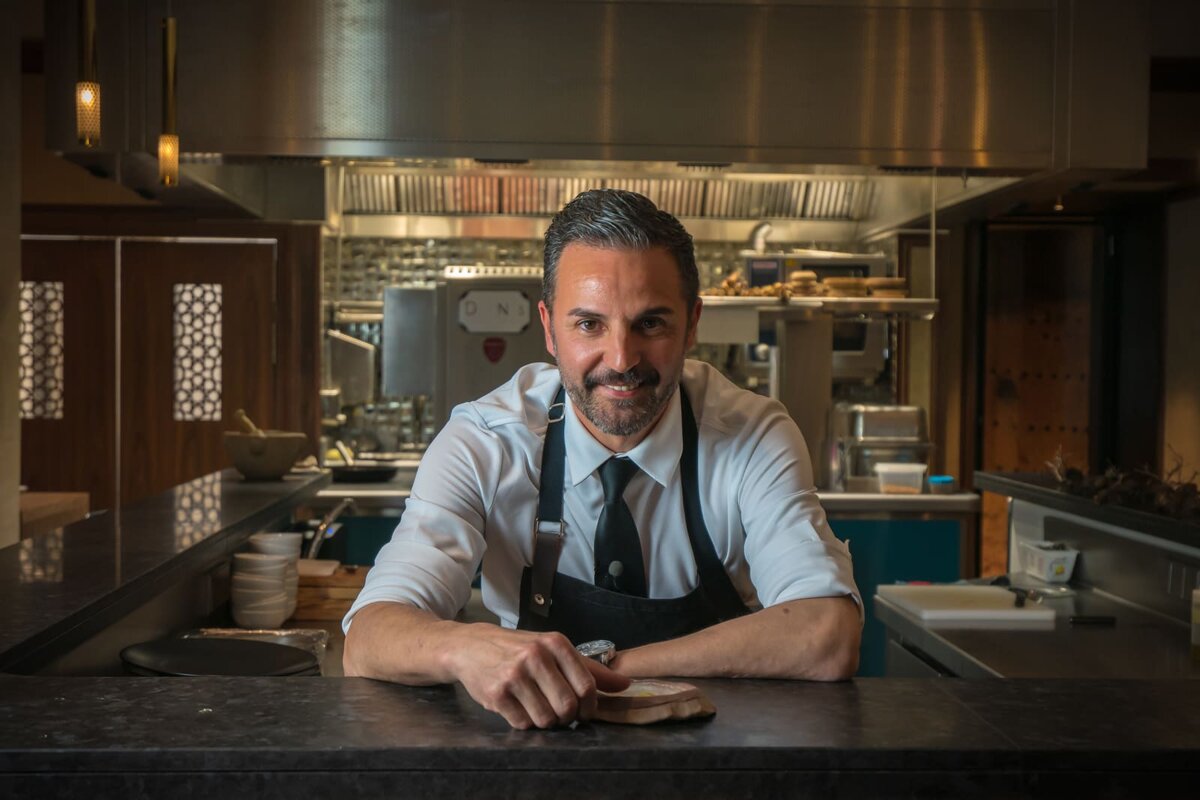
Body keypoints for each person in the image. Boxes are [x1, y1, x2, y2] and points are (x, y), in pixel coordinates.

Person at [343, 189, 862, 729]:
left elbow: (826, 633)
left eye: (651, 324)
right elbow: (369, 638)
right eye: (589, 324)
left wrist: (605, 668)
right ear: (548, 328)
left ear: (692, 324)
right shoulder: (485, 441)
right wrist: (461, 648)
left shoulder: (753, 435)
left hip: (721, 754)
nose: (621, 359)